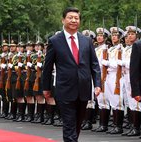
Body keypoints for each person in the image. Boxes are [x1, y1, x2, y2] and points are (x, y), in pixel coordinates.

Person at [42, 7, 101, 142]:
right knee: (69, 124)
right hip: (65, 89)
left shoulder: (86, 41)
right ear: (63, 20)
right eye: (70, 17)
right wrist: (46, 88)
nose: (73, 20)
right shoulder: (55, 40)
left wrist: (97, 84)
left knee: (77, 124)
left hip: (84, 88)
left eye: (76, 18)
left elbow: (94, 64)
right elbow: (48, 66)